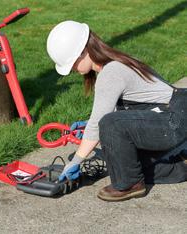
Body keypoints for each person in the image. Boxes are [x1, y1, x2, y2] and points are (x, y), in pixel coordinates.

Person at [46, 20, 187, 202]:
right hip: (174, 114)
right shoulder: (114, 64)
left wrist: (75, 162)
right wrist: (88, 126)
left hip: (175, 118)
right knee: (127, 163)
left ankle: (129, 184)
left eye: (72, 63)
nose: (72, 69)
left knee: (110, 126)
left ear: (83, 51)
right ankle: (181, 163)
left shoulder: (111, 73)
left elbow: (102, 122)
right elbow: (110, 112)